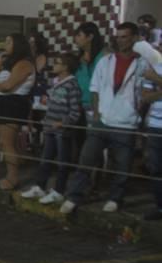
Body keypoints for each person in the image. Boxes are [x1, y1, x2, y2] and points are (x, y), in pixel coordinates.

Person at [61, 23, 153, 214]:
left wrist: (137, 110)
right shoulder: (106, 60)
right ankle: (74, 196)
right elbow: (94, 89)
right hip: (102, 121)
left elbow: (147, 92)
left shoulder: (143, 63)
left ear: (135, 38)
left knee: (121, 166)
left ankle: (115, 198)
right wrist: (96, 114)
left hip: (126, 123)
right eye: (118, 37)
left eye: (125, 37)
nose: (120, 40)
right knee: (86, 160)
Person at [21, 53, 82, 205]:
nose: (54, 65)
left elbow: (75, 112)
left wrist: (63, 123)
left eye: (58, 62)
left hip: (62, 131)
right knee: (45, 159)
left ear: (66, 67)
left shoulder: (72, 86)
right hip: (49, 128)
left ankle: (59, 191)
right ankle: (40, 186)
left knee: (62, 162)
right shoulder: (55, 82)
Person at [0, 33, 35, 190]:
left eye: (9, 42)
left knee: (7, 143)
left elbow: (7, 86)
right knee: (5, 143)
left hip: (13, 104)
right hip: (4, 103)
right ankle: (10, 175)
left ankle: (12, 177)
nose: (5, 45)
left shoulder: (24, 64)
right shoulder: (9, 63)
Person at [73, 23, 107, 153]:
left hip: (96, 106)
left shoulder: (103, 57)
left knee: (94, 143)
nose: (76, 38)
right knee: (80, 140)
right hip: (79, 105)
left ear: (90, 37)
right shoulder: (79, 58)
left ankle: (95, 171)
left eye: (79, 35)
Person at [142, 60, 162, 220]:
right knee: (155, 168)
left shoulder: (153, 73)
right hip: (155, 125)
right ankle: (160, 206)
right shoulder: (154, 68)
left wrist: (157, 80)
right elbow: (146, 98)